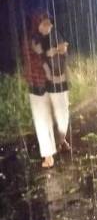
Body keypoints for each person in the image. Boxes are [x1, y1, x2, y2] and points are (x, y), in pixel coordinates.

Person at [22, 11, 71, 168]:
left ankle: (60, 139)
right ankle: (48, 154)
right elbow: (34, 60)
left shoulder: (55, 36)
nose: (48, 26)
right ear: (37, 25)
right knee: (42, 120)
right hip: (38, 85)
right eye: (44, 23)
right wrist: (47, 60)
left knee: (63, 115)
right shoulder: (31, 40)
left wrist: (61, 51)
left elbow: (62, 58)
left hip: (58, 83)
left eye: (49, 23)